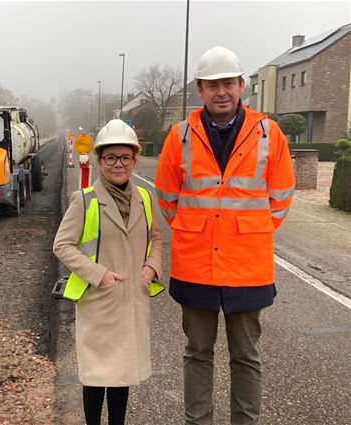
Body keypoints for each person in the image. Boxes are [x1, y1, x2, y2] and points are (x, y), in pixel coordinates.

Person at [155, 46, 295, 425]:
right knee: (197, 351)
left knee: (246, 355)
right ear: (199, 90)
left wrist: (249, 231)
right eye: (212, 84)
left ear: (241, 86)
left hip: (247, 267)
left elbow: (280, 198)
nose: (222, 91)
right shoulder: (179, 136)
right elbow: (167, 199)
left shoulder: (269, 133)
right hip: (195, 264)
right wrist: (198, 229)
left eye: (229, 83)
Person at [53, 119, 163, 425]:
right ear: (100, 161)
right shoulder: (85, 200)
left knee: (122, 376)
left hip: (131, 301)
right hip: (99, 301)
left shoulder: (144, 197)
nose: (118, 164)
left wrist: (152, 267)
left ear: (134, 160)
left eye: (125, 157)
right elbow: (62, 246)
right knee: (97, 376)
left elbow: (156, 239)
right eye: (111, 158)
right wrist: (97, 273)